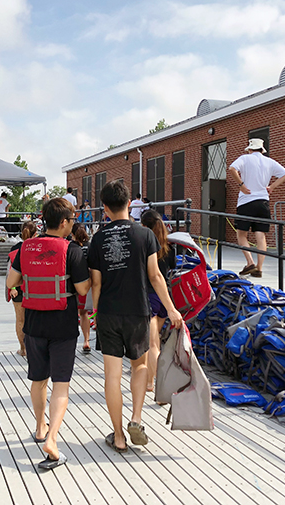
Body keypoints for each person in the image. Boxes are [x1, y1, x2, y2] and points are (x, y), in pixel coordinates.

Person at [88, 180, 182, 453]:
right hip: (138, 311)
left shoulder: (98, 239)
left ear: (105, 208)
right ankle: (136, 418)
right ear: (130, 203)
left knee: (111, 375)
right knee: (139, 366)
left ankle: (118, 436)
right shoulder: (145, 235)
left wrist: (95, 312)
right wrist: (172, 309)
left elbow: (96, 283)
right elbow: (155, 276)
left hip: (108, 311)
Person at [6, 198, 90, 470]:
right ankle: (52, 439)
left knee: (38, 380)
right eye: (72, 221)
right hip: (63, 326)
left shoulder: (25, 248)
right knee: (61, 385)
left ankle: (40, 427)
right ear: (64, 222)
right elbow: (82, 290)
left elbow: (11, 282)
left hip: (34, 325)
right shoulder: (73, 251)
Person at [228, 137, 285, 278]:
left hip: (245, 201)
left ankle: (249, 262)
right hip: (263, 202)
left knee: (241, 234)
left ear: (249, 149)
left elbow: (232, 168)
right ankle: (259, 268)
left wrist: (241, 185)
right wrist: (271, 187)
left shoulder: (245, 158)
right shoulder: (269, 162)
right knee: (260, 235)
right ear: (262, 150)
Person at [140, 209, 177, 393]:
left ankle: (152, 383)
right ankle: (154, 381)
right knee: (156, 341)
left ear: (145, 226)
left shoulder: (145, 245)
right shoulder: (169, 246)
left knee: (152, 344)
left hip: (150, 296)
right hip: (164, 296)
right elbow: (172, 267)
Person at [6, 221, 38, 357]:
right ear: (36, 233)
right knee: (35, 319)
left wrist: (12, 287)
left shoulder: (15, 248)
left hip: (17, 288)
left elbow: (10, 271)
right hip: (35, 288)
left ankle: (23, 349)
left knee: (20, 320)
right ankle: (35, 349)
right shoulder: (38, 247)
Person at [71, 223, 94, 353]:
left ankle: (71, 342)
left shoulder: (70, 247)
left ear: (72, 233)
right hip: (87, 283)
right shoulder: (89, 246)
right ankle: (86, 341)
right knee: (84, 313)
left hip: (73, 284)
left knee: (72, 313)